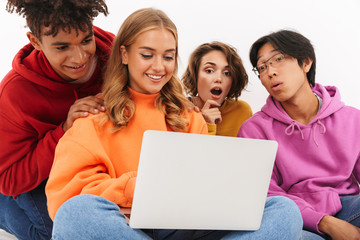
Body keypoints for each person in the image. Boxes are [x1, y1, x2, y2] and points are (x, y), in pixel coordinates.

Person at [45, 8, 303, 240]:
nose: (159, 67)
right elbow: (65, 197)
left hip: (186, 227)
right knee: (76, 214)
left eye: (168, 57)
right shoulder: (93, 118)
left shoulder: (189, 116)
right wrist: (141, 186)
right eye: (147, 55)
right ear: (124, 54)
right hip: (126, 226)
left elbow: (201, 188)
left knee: (284, 211)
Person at [0, 0, 114, 239]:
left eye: (86, 39)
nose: (80, 57)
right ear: (36, 42)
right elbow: (9, 179)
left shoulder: (116, 55)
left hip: (97, 169)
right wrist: (65, 130)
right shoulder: (15, 93)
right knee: (64, 232)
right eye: (62, 48)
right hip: (39, 177)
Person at [238, 29, 360, 239]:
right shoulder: (253, 130)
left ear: (306, 62)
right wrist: (325, 223)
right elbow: (266, 196)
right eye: (262, 67)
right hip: (297, 218)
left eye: (278, 59)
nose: (270, 72)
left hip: (349, 206)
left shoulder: (352, 119)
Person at [182, 42, 252, 137]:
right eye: (209, 71)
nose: (219, 79)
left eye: (227, 73)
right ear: (195, 75)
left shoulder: (242, 111)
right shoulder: (178, 110)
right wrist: (206, 124)